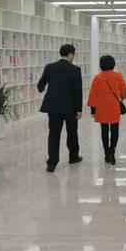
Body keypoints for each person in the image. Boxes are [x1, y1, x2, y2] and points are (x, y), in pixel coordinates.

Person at [37, 44, 83, 172]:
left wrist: (42, 89)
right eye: (74, 54)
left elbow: (41, 84)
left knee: (53, 134)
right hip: (70, 107)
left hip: (53, 107)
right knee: (72, 133)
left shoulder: (50, 67)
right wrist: (79, 109)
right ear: (70, 54)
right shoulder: (75, 69)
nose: (74, 56)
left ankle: (52, 163)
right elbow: (78, 91)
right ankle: (73, 157)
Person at [88, 55, 126, 166]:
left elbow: (93, 94)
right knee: (115, 129)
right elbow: (124, 91)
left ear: (101, 65)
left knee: (104, 130)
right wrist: (121, 97)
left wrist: (93, 110)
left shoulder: (97, 78)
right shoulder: (118, 76)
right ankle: (112, 151)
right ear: (113, 64)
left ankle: (106, 153)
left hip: (102, 108)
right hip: (114, 107)